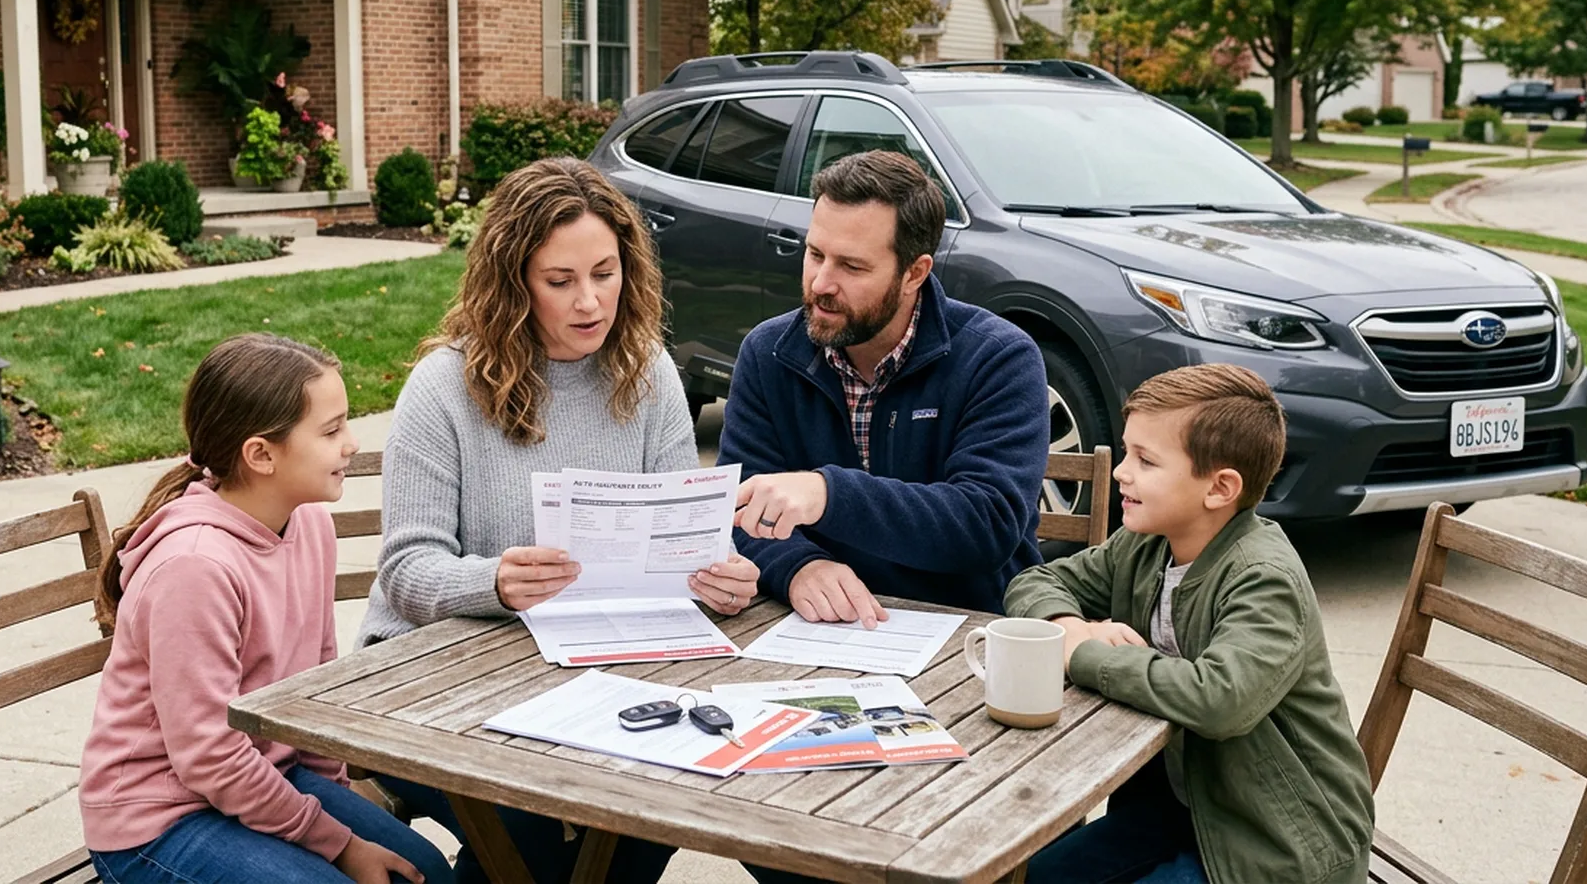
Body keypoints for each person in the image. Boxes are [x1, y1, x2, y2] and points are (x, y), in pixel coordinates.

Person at [360, 156, 760, 882]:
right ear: (513, 282)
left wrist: (716, 572)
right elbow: (407, 571)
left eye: (605, 274)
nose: (590, 303)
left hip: (591, 671)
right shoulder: (443, 386)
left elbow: (679, 536)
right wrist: (498, 582)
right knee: (537, 825)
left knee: (660, 803)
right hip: (431, 677)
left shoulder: (647, 371)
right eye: (560, 281)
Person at [80, 334, 453, 884]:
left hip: (263, 777)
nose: (351, 443)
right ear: (260, 454)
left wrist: (335, 797)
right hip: (157, 823)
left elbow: (313, 687)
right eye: (331, 430)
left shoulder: (308, 523)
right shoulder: (195, 566)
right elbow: (208, 757)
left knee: (421, 874)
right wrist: (338, 844)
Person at [1006, 364, 1375, 884]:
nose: (1120, 473)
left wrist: (1084, 656)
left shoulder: (1263, 579)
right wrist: (1070, 627)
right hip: (1178, 809)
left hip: (1274, 841)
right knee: (1030, 877)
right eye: (1127, 452)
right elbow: (1034, 582)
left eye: (1146, 461)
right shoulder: (1147, 542)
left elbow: (1220, 700)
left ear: (1220, 488)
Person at [721, 149, 1050, 625]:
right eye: (815, 254)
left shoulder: (998, 357)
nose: (821, 283)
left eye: (852, 267)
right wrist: (798, 567)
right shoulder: (768, 352)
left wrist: (828, 494)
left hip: (970, 632)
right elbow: (739, 511)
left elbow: (986, 525)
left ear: (914, 273)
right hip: (816, 630)